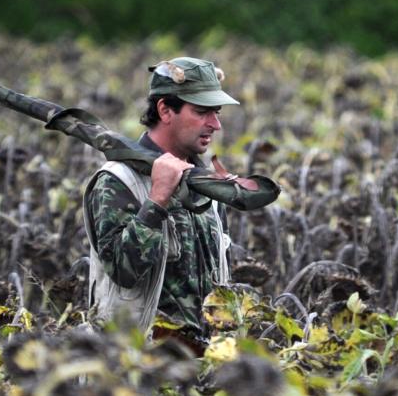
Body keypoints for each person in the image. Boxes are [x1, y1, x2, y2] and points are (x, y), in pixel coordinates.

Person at [82, 57, 277, 353]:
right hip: (138, 370)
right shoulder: (119, 181)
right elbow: (123, 272)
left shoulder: (206, 187)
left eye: (216, 112)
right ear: (164, 109)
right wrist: (157, 199)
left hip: (204, 367)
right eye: (201, 112)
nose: (215, 124)